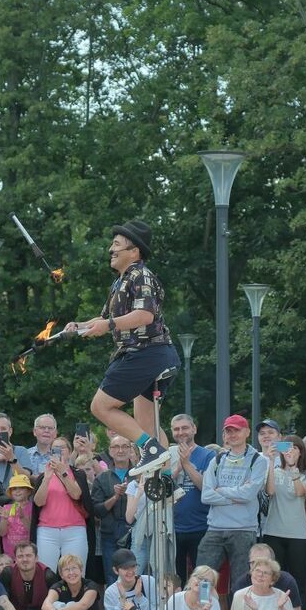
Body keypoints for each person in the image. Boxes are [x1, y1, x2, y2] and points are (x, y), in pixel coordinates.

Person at [64, 219, 181, 477]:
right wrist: (80, 326)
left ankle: (151, 451)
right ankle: (166, 476)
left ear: (134, 251)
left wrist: (108, 325)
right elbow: (103, 319)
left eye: (116, 244)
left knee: (100, 407)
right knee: (146, 423)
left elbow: (144, 315)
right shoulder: (120, 282)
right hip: (152, 356)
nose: (110, 249)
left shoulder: (141, 274)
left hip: (146, 353)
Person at [196, 415, 267, 589]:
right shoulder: (217, 460)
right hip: (215, 529)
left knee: (240, 585)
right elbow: (206, 496)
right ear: (224, 435)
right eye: (229, 431)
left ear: (247, 432)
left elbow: (249, 494)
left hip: (244, 530)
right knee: (202, 582)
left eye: (237, 430)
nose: (232, 434)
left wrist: (221, 491)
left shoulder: (259, 460)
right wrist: (236, 496)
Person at [261, 434, 306, 587]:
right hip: (273, 532)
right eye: (286, 448)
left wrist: (292, 468)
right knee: (274, 580)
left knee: (298, 581)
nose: (290, 451)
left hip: (299, 535)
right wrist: (271, 460)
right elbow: (270, 491)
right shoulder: (274, 471)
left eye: (294, 448)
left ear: (301, 452)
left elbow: (300, 492)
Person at [33, 437, 90, 569]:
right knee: (46, 572)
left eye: (62, 447)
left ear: (69, 452)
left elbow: (76, 494)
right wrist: (47, 479)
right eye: (55, 448)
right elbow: (38, 502)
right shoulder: (44, 475)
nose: (58, 450)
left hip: (74, 530)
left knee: (75, 571)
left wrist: (63, 472)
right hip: (47, 531)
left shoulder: (77, 473)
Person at [170, 415, 214, 579]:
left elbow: (206, 488)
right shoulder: (167, 455)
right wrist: (176, 469)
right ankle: (176, 604)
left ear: (194, 429)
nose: (180, 432)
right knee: (174, 579)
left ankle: (203, 605)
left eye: (185, 428)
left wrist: (187, 464)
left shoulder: (208, 456)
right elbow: (162, 489)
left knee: (202, 578)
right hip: (172, 529)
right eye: (176, 429)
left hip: (200, 527)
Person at [91, 436, 135, 584]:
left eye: (124, 446)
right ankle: (114, 607)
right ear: (110, 451)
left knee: (135, 573)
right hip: (109, 533)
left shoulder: (140, 475)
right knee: (111, 575)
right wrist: (115, 496)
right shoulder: (102, 478)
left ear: (130, 450)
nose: (120, 450)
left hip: (134, 532)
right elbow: (97, 510)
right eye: (116, 447)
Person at [5, 542, 58, 610]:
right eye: (20, 556)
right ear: (15, 559)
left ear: (36, 558)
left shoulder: (48, 575)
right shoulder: (8, 573)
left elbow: (57, 602)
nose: (24, 559)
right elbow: (3, 601)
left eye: (29, 555)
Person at [0, 474, 34, 559]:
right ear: (10, 492)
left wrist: (23, 517)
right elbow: (2, 533)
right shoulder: (6, 508)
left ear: (28, 491)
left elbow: (32, 531)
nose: (17, 491)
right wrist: (4, 520)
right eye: (14, 489)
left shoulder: (32, 508)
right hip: (9, 554)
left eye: (21, 488)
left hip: (27, 554)